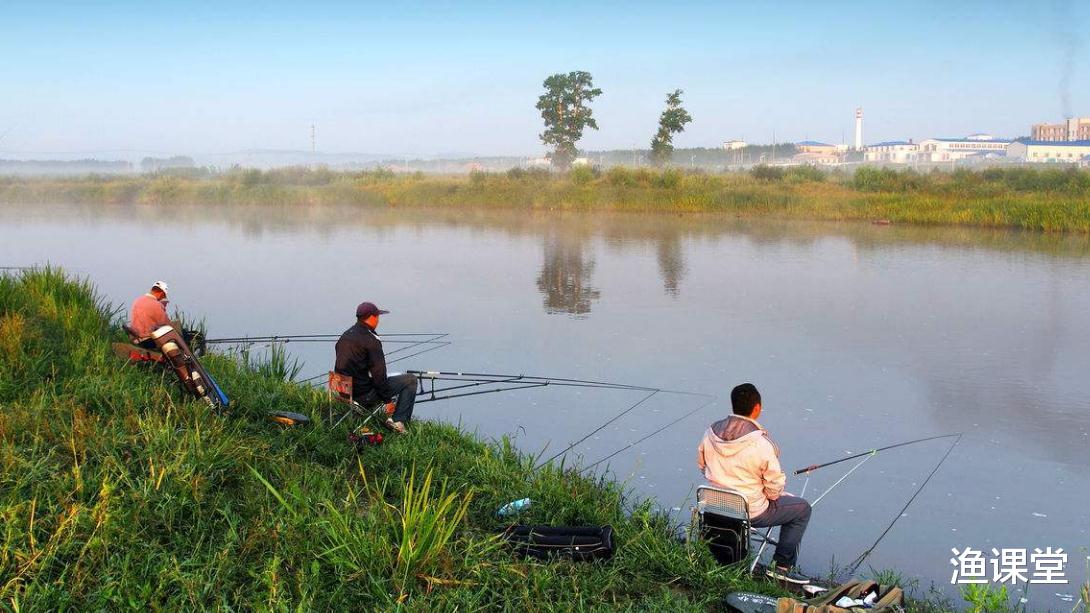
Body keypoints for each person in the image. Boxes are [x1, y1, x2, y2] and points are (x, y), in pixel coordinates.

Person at [697, 383, 812, 584]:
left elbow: (702, 465)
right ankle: (781, 568)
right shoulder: (761, 444)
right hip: (750, 511)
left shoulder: (709, 433)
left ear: (733, 405)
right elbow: (775, 487)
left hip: (713, 506)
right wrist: (772, 496)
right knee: (802, 509)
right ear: (757, 408)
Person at [334, 301, 417, 434]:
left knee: (379, 379)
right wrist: (387, 400)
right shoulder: (371, 341)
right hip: (362, 395)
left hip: (344, 392)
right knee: (410, 380)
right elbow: (379, 375)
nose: (378, 320)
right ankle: (397, 421)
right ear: (372, 317)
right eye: (378, 316)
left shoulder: (345, 336)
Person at [128, 281, 172, 349]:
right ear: (161, 293)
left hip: (136, 339)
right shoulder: (156, 305)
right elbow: (167, 325)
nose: (162, 298)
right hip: (148, 340)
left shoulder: (138, 300)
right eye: (163, 296)